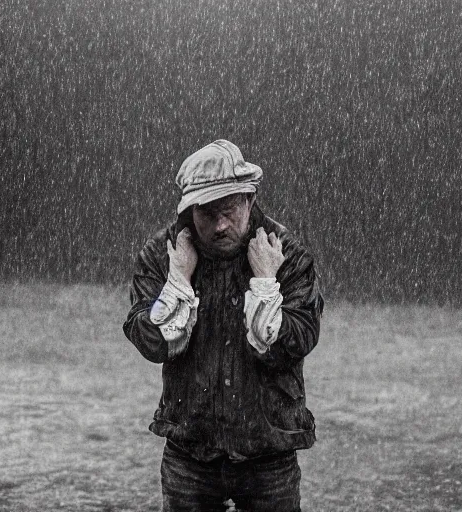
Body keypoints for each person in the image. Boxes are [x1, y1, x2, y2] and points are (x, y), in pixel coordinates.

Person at [123, 140, 324, 512]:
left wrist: (265, 280)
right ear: (188, 210)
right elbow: (152, 342)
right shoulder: (163, 255)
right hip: (190, 452)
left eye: (228, 209)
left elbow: (296, 341)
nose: (219, 225)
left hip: (269, 453)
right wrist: (178, 280)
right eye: (206, 212)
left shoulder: (286, 255)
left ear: (249, 199)